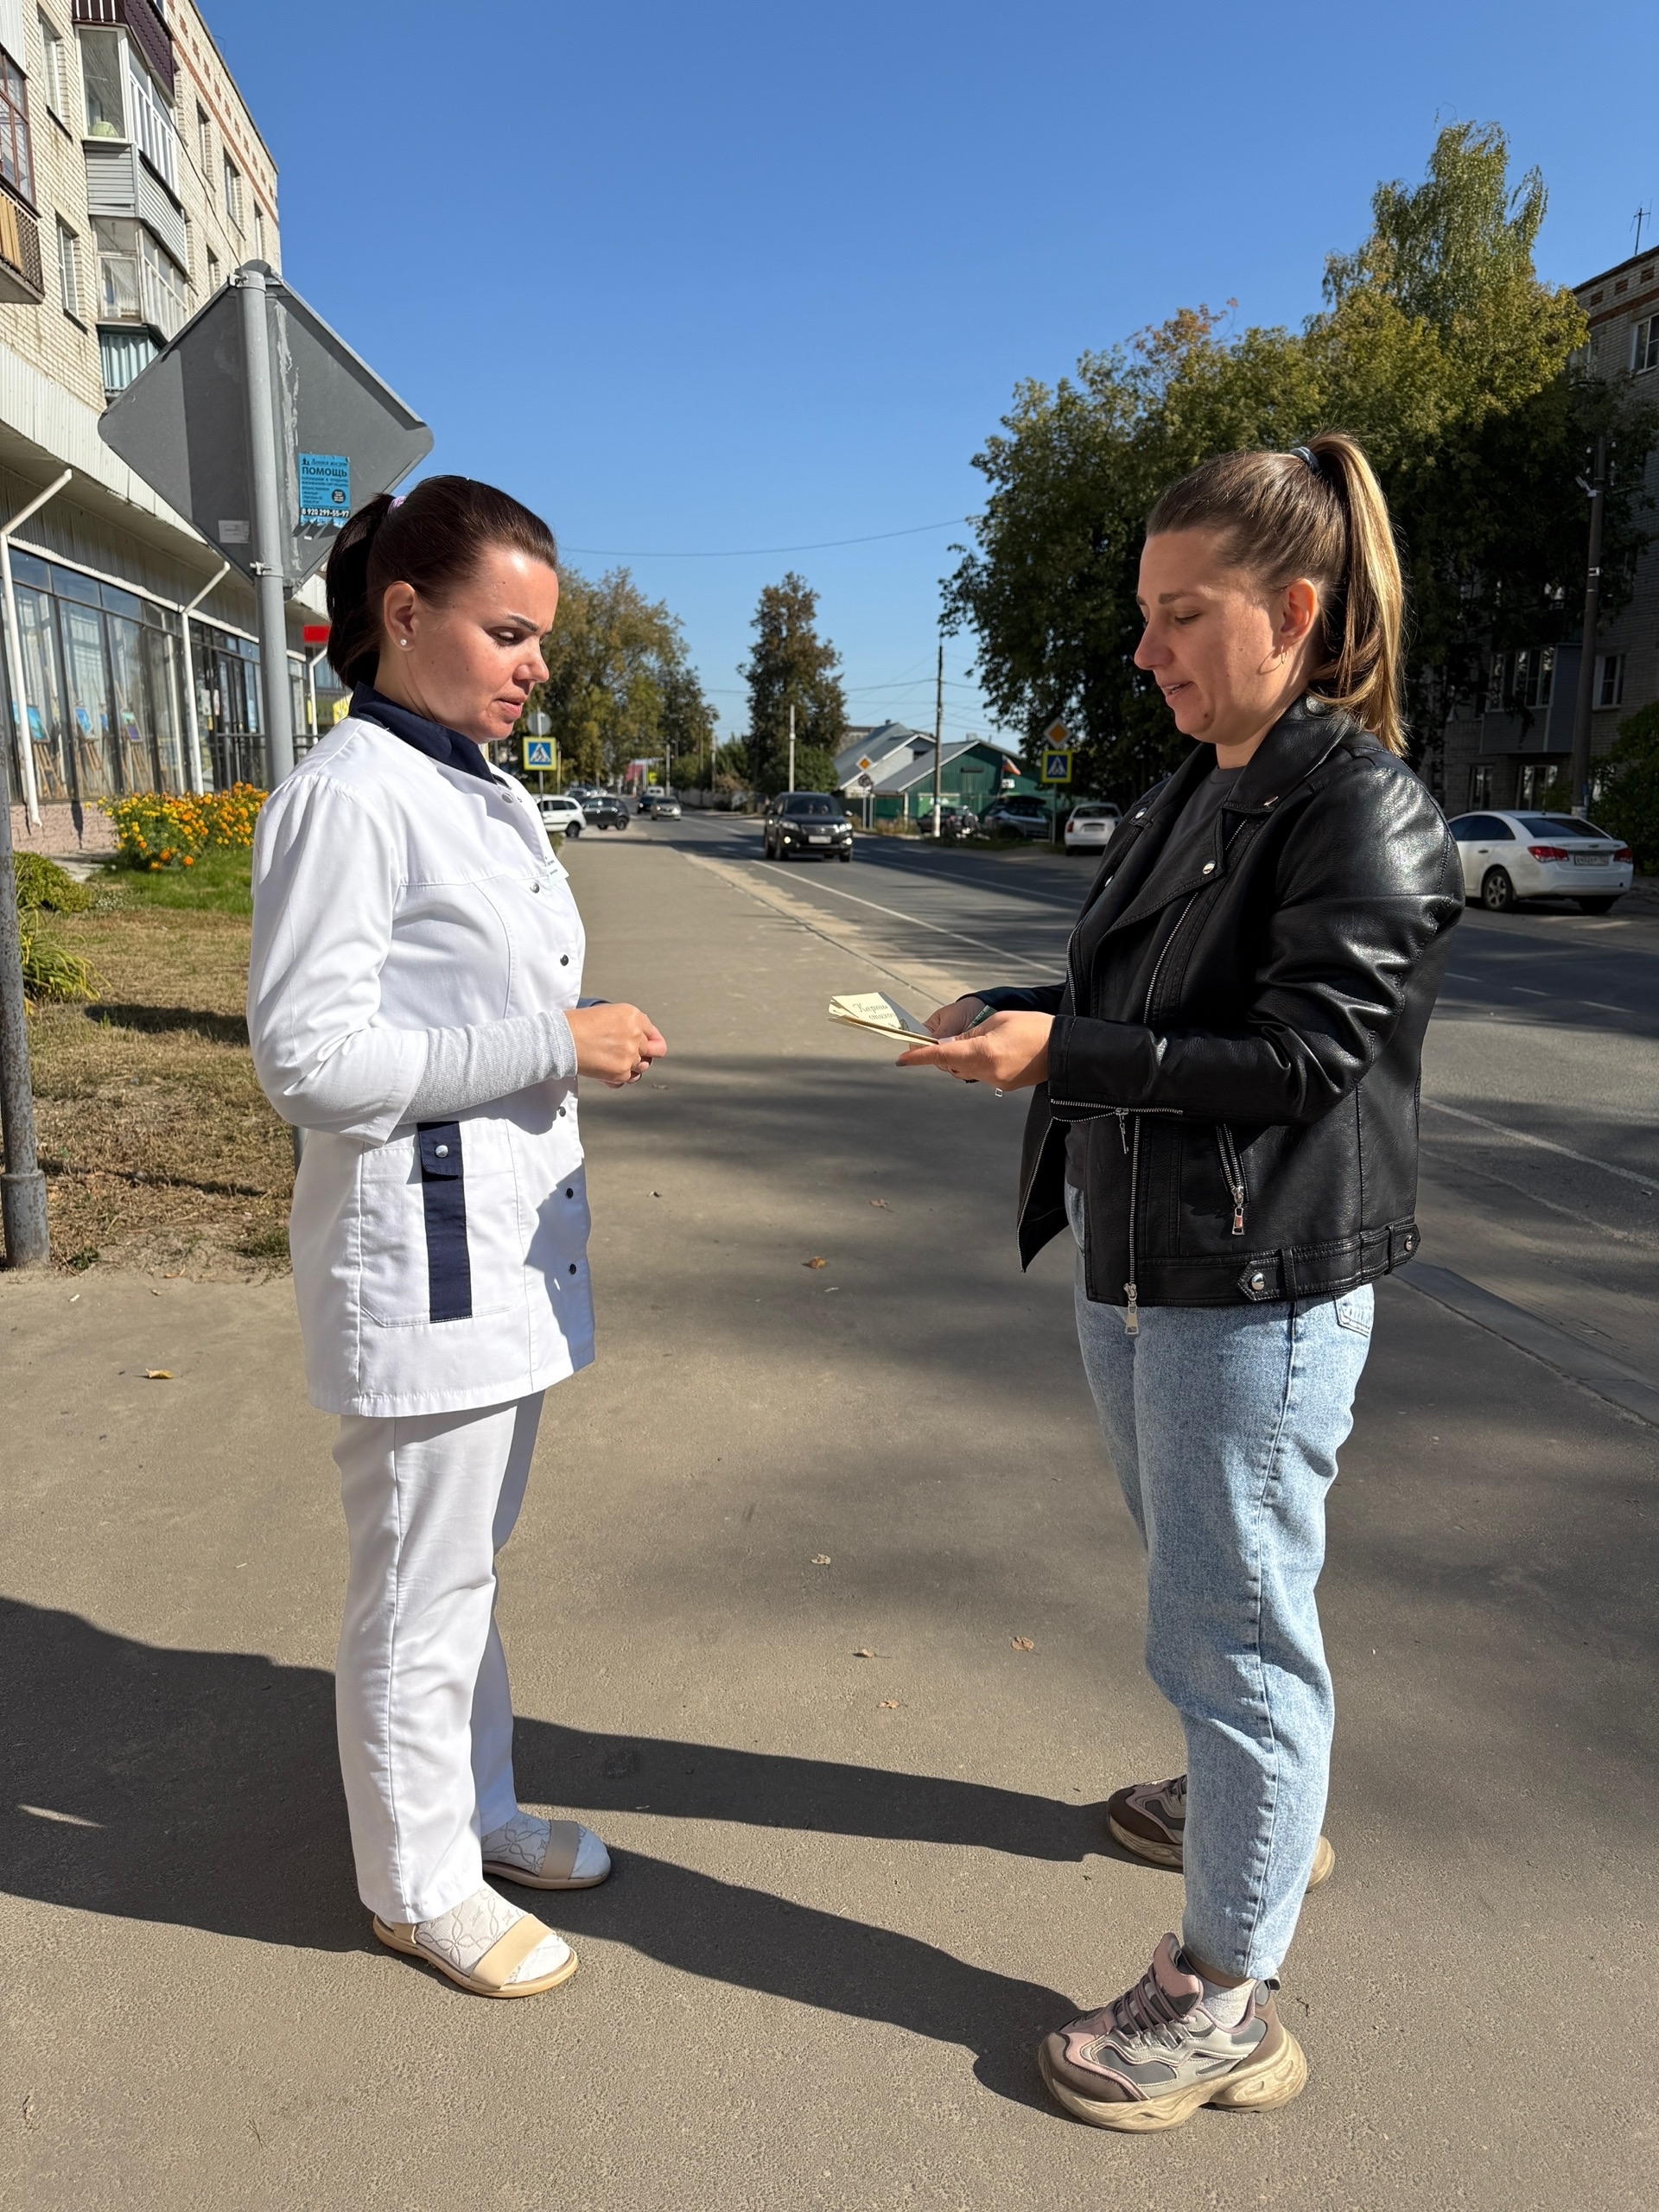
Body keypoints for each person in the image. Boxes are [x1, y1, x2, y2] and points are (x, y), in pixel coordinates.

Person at [899, 435, 1462, 2128]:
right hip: (1148, 1263)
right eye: (1144, 614)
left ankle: (1227, 1996)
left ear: (1293, 611)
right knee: (1209, 1597)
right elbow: (1148, 993)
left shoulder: (1363, 806)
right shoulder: (1193, 788)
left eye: (1180, 613)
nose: (1145, 649)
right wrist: (1018, 1008)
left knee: (1234, 1628)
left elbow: (1297, 1061)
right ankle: (1248, 1807)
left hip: (1257, 1287)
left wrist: (1063, 1050)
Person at [246, 476, 666, 1999]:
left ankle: (472, 1817)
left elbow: (459, 1002)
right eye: (508, 633)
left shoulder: (470, 782)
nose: (535, 664)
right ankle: (415, 1885)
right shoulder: (350, 795)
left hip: (495, 1258)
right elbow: (306, 1062)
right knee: (418, 1589)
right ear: (405, 614)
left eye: (540, 638)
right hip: (419, 1270)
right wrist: (553, 1040)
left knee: (463, 1572)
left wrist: (553, 1029)